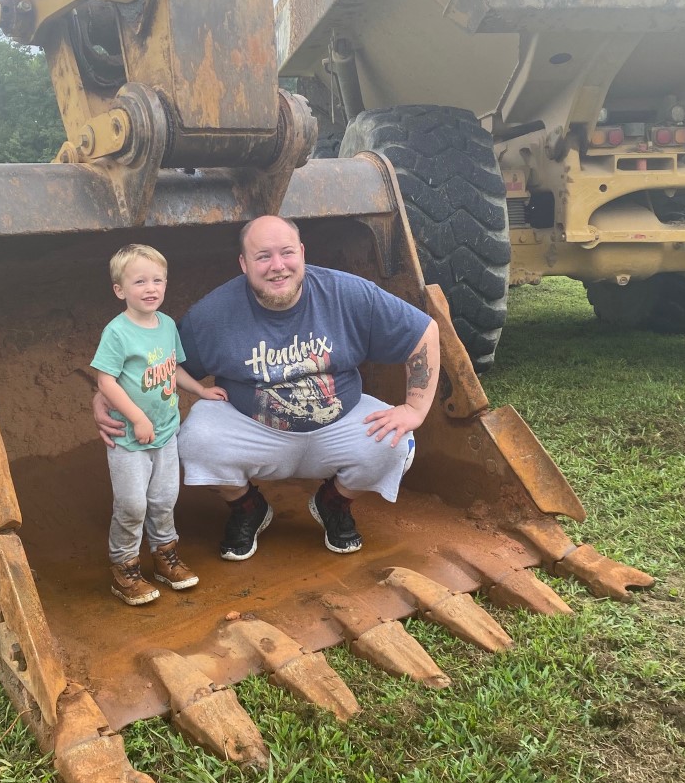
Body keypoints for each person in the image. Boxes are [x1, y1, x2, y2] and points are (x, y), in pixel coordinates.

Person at [95, 216, 440, 564]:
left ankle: (333, 504)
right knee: (196, 438)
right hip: (255, 429)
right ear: (244, 264)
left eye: (287, 253)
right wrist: (104, 394)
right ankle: (248, 509)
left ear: (302, 253)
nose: (278, 267)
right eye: (262, 257)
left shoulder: (346, 293)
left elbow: (423, 331)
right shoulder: (215, 313)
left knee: (397, 444)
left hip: (338, 421)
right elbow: (158, 360)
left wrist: (414, 408)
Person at [91, 242, 227, 606]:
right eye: (139, 282)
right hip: (129, 438)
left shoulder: (166, 324)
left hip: (166, 432)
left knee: (165, 498)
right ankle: (124, 568)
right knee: (132, 503)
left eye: (157, 280)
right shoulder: (117, 333)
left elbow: (174, 366)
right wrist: (136, 417)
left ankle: (165, 557)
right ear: (120, 290)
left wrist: (200, 389)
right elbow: (106, 381)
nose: (150, 288)